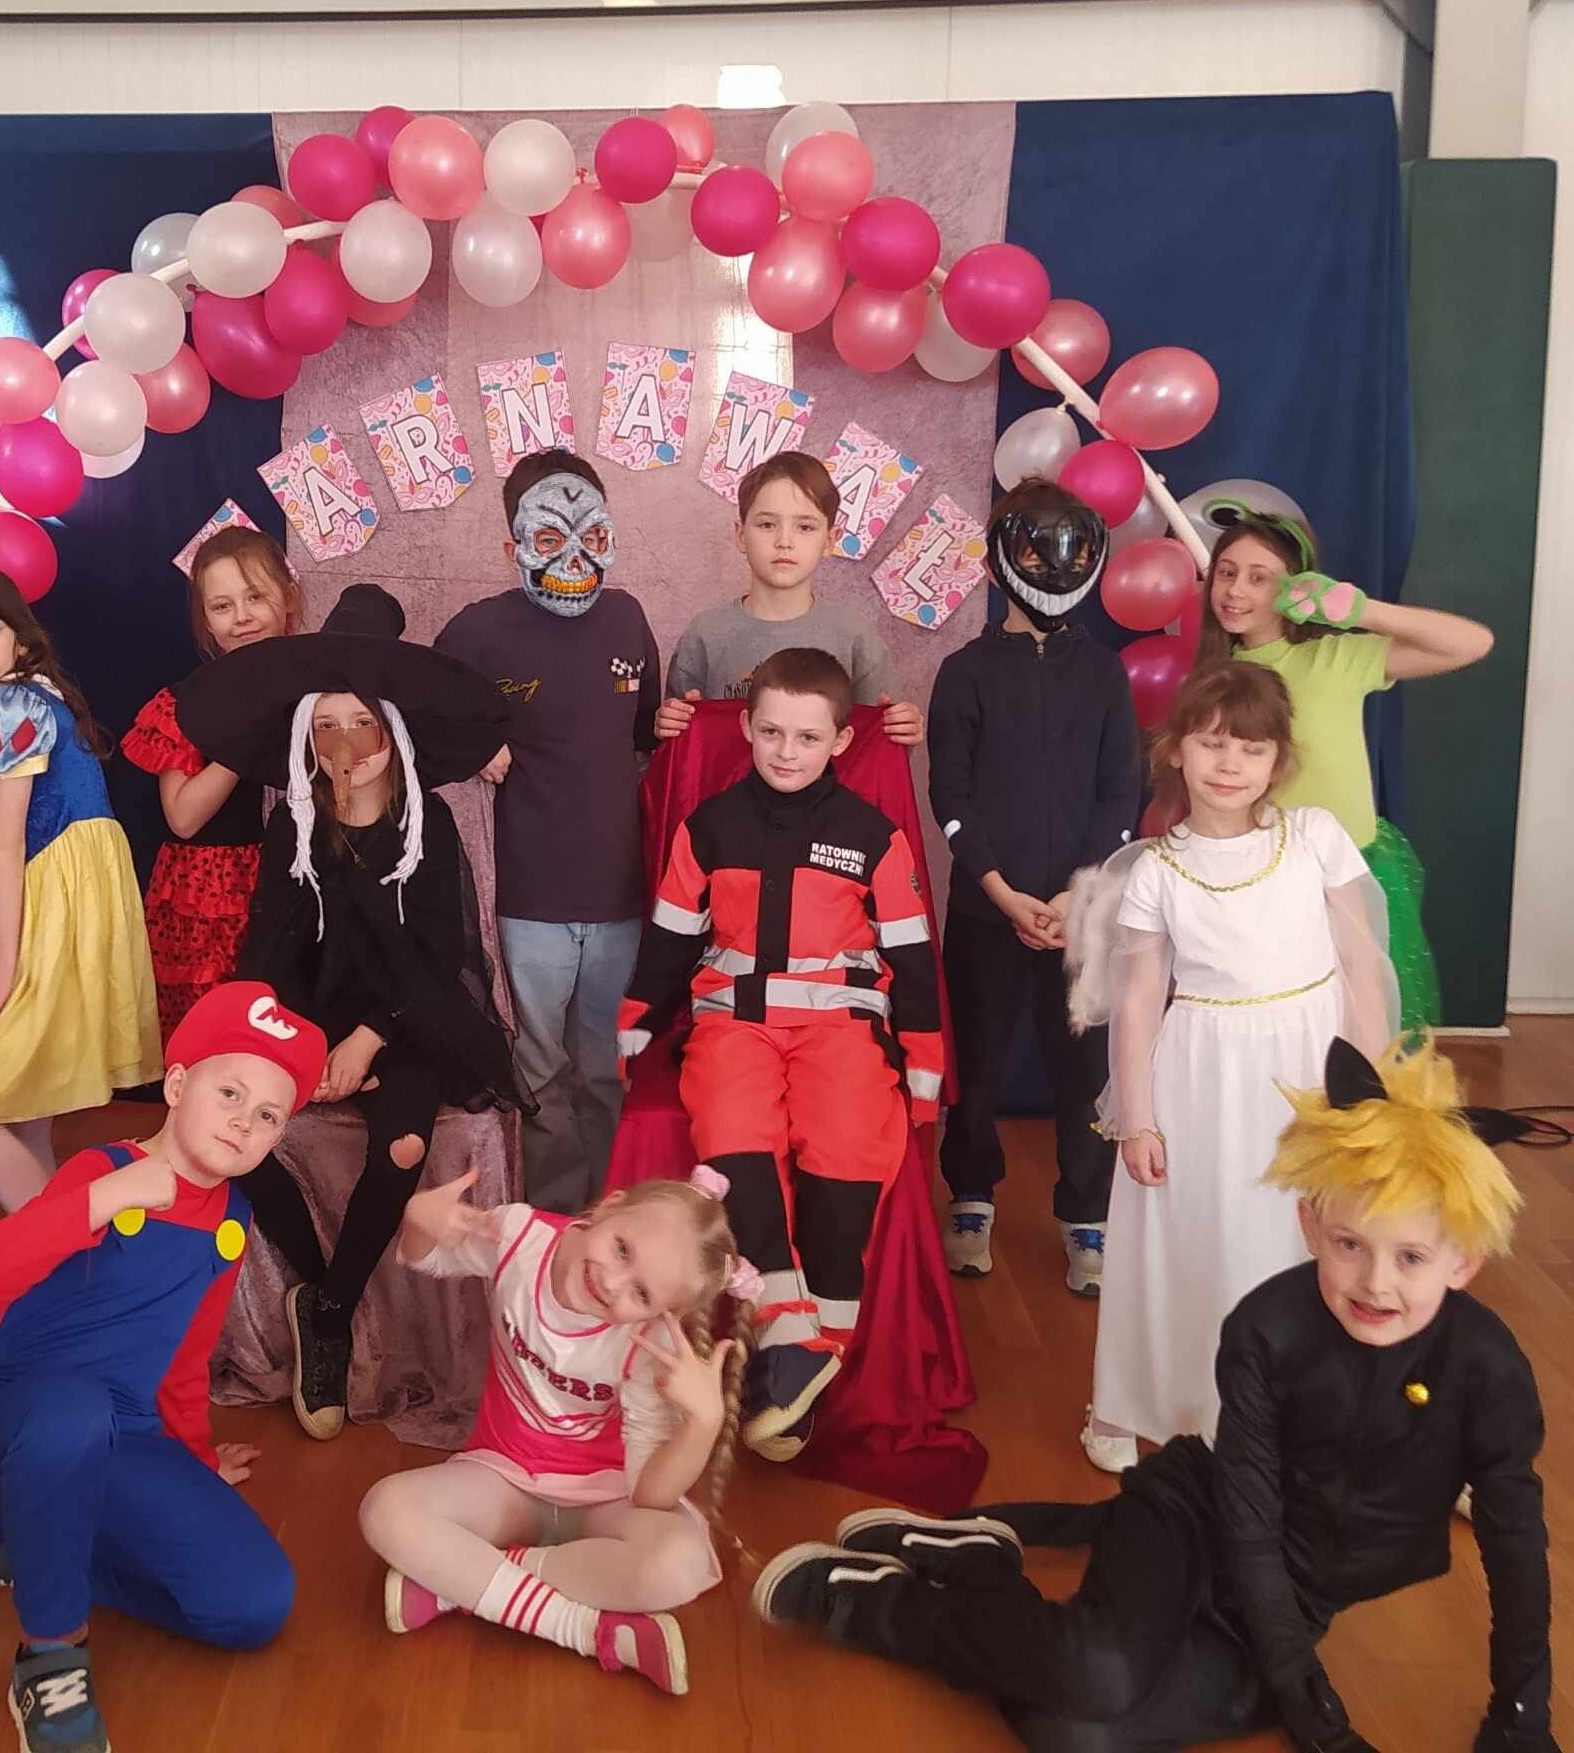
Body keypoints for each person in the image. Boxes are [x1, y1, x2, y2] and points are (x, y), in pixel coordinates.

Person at [754, 1034, 1556, 1753]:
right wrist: (1307, 1701)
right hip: (1193, 1524)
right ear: (1311, 1225)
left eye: (1411, 1258)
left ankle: (980, 1569)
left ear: (1463, 1260)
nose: (1376, 1283)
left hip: (1287, 1604)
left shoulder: (1488, 1370)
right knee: (1093, 1676)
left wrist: (1521, 1717)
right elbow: (1249, 1523)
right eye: (1350, 1244)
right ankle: (876, 1607)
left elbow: (1515, 1541)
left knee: (1075, 1733)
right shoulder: (1269, 1329)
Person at [0, 981, 322, 1753]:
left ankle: (40, 1549)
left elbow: (183, 1363)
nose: (244, 1121)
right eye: (230, 1091)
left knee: (256, 1604)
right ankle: (50, 1655)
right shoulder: (100, 1172)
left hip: (117, 1436)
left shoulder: (231, 1221)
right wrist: (106, 1196)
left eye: (268, 1115)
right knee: (73, 1407)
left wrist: (197, 1462)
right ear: (176, 1086)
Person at [175, 583, 524, 1442]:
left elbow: (440, 959)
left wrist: (371, 1038)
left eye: (361, 724)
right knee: (236, 1136)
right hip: (311, 1018)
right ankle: (317, 1290)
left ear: (391, 733)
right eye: (325, 726)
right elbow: (270, 951)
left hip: (410, 1021)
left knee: (403, 1139)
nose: (344, 745)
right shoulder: (293, 829)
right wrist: (288, 1047)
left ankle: (329, 1309)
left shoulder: (427, 828)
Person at [1066, 660, 1395, 1473]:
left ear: (1277, 762)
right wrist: (1138, 1119)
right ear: (1177, 748)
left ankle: (1297, 1407)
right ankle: (1140, 1399)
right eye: (1212, 744)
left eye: (1251, 750)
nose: (1229, 765)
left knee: (1295, 1232)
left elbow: (1362, 966)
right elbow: (1139, 1002)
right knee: (1194, 1232)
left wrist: (1370, 1092)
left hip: (1308, 1064)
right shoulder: (1158, 870)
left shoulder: (1313, 837)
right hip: (1203, 1071)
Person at [616, 648, 943, 1463]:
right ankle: (791, 1342)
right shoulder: (709, 827)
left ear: (841, 740)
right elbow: (668, 939)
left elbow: (914, 958)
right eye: (770, 733)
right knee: (733, 1135)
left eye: (807, 737)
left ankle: (806, 1366)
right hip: (733, 1026)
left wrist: (924, 1066)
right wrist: (635, 1021)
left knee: (846, 1144)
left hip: (844, 1033)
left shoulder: (874, 836)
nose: (786, 752)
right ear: (747, 727)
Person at [357, 1164, 757, 1699]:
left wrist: (703, 1426)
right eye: (621, 1248)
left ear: (665, 1313)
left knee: (679, 1565)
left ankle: (466, 1581)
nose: (612, 1283)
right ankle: (586, 1630)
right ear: (609, 1206)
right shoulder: (520, 1237)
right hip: (501, 1480)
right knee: (385, 1509)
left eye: (641, 1294)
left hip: (604, 1501)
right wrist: (418, 1218)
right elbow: (426, 1256)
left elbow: (649, 1496)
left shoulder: (652, 1346)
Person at [927, 477, 1139, 1295]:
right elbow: (951, 792)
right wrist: (1000, 889)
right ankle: (971, 1197)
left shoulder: (1105, 675)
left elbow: (1121, 792)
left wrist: (1077, 893)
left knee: (1083, 1072)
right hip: (987, 912)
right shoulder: (964, 672)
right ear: (995, 565)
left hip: (1084, 915)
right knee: (976, 1067)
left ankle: (1087, 1213)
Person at [435, 450, 661, 1212]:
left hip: (621, 893)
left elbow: (649, 735)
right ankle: (557, 1219)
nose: (573, 559)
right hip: (527, 896)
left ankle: (614, 1211)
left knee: (606, 1065)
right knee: (538, 1068)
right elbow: (417, 718)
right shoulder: (477, 632)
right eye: (547, 539)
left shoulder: (628, 617)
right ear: (513, 546)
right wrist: (470, 746)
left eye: (591, 537)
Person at [0, 562, 161, 1213]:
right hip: (16, 908)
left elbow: (2, 847)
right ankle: (60, 1249)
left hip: (52, 905)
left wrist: (3, 971)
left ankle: (58, 1237)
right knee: (24, 1114)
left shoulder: (16, 704)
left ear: (21, 643)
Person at [1196, 502, 1492, 1033]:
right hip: (1254, 879)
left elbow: (1472, 644)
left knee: (1355, 1021)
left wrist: (1358, 611)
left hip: (1341, 876)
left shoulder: (1335, 659)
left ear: (1293, 588)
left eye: (1259, 578)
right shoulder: (1214, 679)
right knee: (1275, 1023)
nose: (1236, 590)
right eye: (1227, 573)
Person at [122, 526, 302, 1043]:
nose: (241, 617)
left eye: (256, 597)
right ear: (205, 619)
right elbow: (183, 818)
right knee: (217, 1038)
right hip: (213, 888)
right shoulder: (185, 702)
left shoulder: (318, 689)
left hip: (298, 878)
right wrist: (245, 737)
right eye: (222, 606)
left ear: (288, 598)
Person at [655, 451, 923, 745]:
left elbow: (877, 748)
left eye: (805, 527)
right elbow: (676, 748)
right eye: (767, 525)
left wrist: (900, 730)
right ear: (741, 535)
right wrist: (668, 724)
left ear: (829, 541)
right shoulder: (705, 635)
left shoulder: (856, 639)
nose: (784, 541)